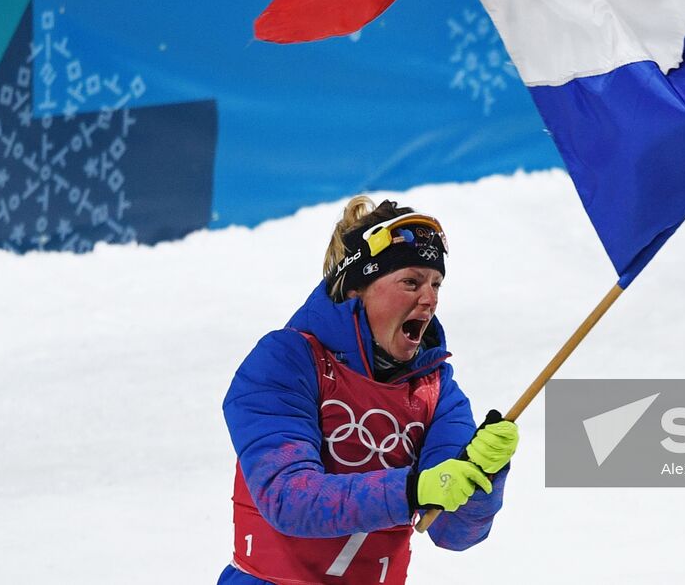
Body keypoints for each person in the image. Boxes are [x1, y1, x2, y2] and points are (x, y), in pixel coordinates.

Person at [219, 196, 518, 585]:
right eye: (410, 282)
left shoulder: (436, 390)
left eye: (436, 284)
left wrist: (484, 475)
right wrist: (412, 489)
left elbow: (452, 532)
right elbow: (288, 497)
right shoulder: (286, 360)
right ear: (357, 289)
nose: (429, 300)